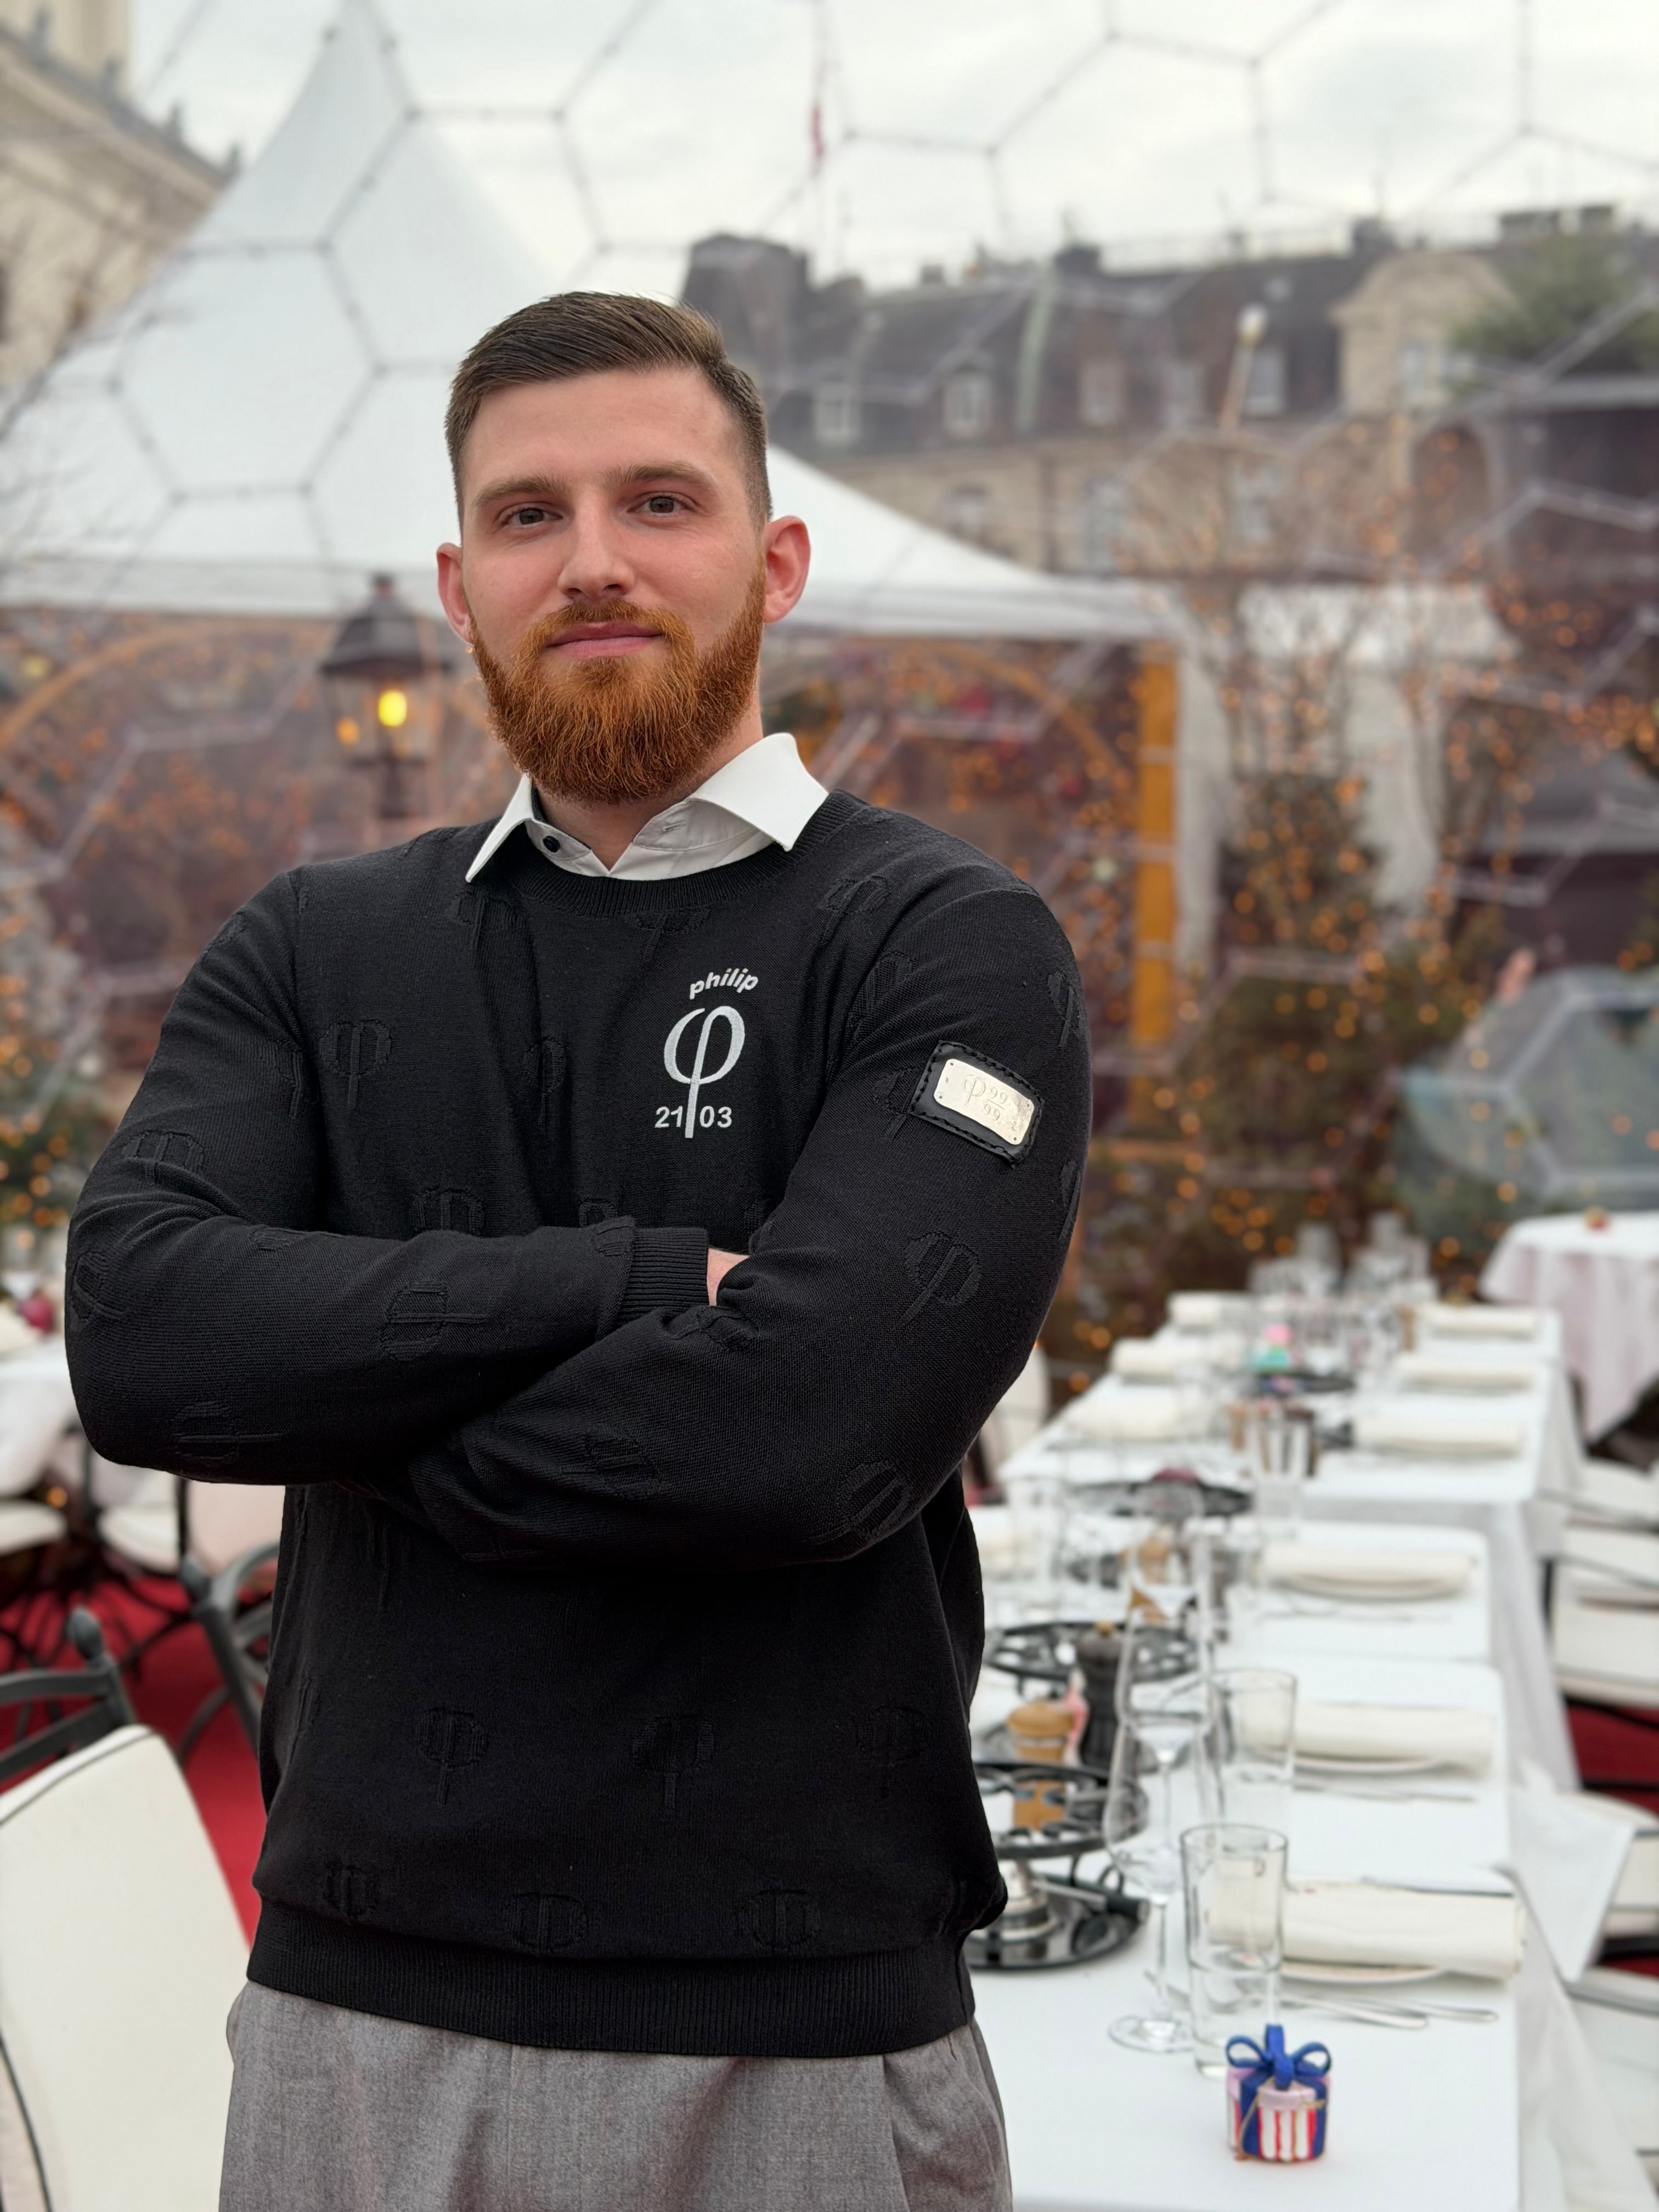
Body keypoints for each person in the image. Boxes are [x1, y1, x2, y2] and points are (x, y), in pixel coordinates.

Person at [67, 294, 1091, 2211]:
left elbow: (809, 1433)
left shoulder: (944, 942)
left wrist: (353, 1406)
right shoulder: (313, 948)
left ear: (775, 563)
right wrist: (627, 1288)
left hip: (797, 2030)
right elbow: (136, 1336)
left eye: (658, 502)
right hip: (354, 2021)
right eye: (529, 515)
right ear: (460, 586)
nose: (593, 560)